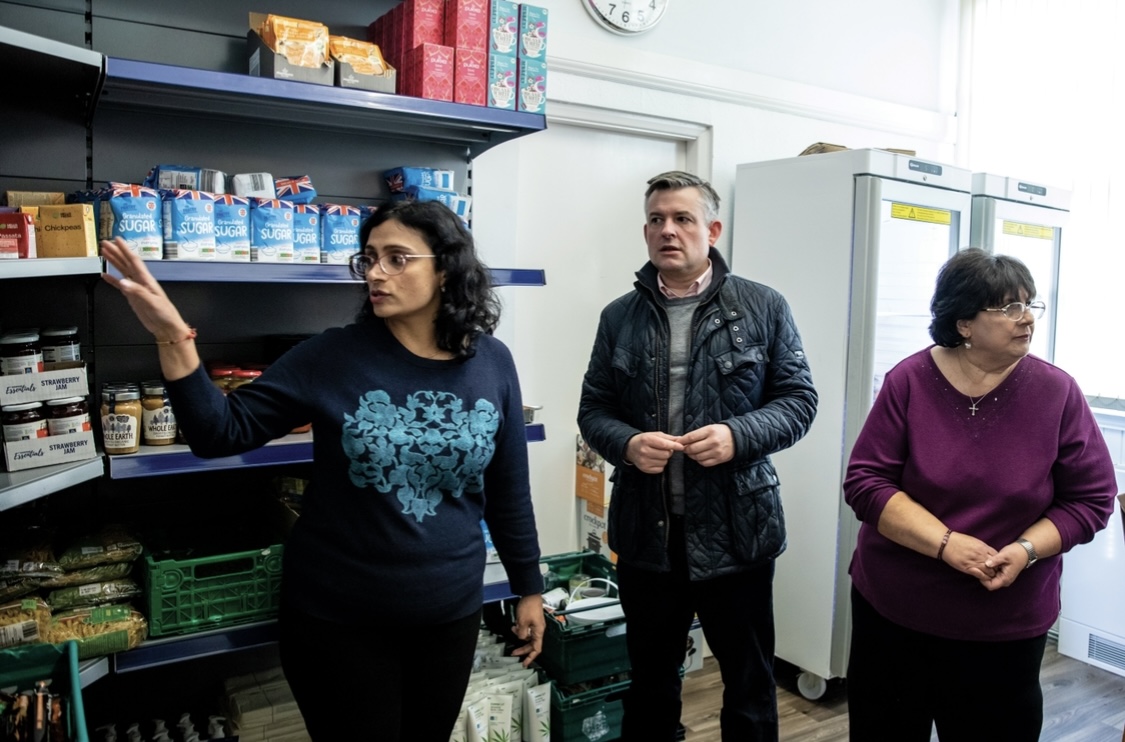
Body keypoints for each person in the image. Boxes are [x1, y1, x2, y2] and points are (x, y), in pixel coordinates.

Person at [100, 200, 545, 742]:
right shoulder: (332, 357)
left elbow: (508, 489)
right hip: (340, 621)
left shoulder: (493, 362)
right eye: (370, 258)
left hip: (449, 614)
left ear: (447, 269)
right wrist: (173, 338)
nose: (376, 273)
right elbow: (221, 432)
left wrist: (528, 588)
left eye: (398, 258)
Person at [577, 170, 818, 742]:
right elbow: (594, 410)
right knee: (651, 681)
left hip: (738, 530)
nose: (668, 230)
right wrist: (629, 445)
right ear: (645, 231)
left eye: (683, 218)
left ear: (712, 229)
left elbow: (799, 400)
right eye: (657, 220)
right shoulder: (619, 317)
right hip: (647, 534)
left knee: (749, 681)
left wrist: (739, 434)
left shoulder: (763, 306)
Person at [843, 248, 1117, 741]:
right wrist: (946, 543)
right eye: (1008, 308)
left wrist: (1027, 549)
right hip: (896, 611)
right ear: (963, 322)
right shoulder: (908, 381)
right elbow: (866, 482)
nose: (1026, 319)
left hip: (1005, 621)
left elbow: (1092, 498)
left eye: (1030, 304)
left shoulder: (1057, 393)